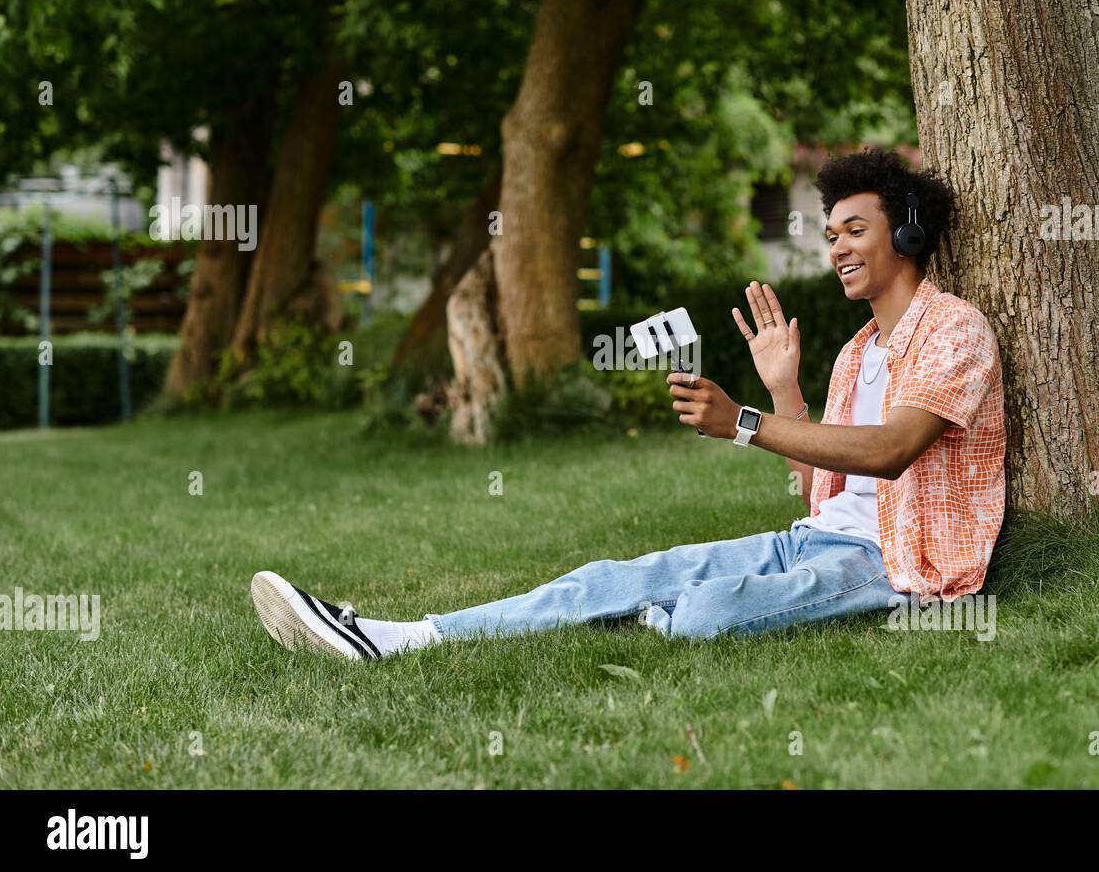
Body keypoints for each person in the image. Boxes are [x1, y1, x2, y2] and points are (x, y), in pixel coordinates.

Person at [251, 149, 1006, 659]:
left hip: (896, 565)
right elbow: (820, 494)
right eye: (831, 233)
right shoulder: (855, 353)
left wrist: (744, 421)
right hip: (809, 541)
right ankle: (403, 636)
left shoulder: (953, 331)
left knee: (708, 614)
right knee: (611, 574)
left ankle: (664, 612)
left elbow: (890, 450)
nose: (837, 248)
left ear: (906, 232)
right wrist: (782, 389)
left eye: (855, 230)